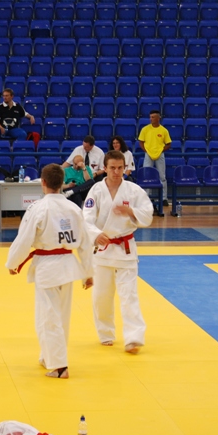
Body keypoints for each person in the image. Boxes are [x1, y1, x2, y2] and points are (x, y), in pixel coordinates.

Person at [6, 164, 93, 379]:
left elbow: (24, 240)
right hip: (68, 265)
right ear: (62, 183)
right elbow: (85, 242)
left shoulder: (38, 208)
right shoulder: (74, 208)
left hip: (48, 268)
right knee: (61, 317)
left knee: (48, 317)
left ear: (43, 183)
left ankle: (59, 366)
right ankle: (49, 356)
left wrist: (12, 263)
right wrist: (88, 272)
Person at [82, 151, 154, 354]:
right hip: (103, 249)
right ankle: (106, 333)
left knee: (129, 296)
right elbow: (86, 218)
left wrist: (131, 211)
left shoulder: (133, 190)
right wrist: (96, 234)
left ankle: (133, 338)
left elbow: (148, 214)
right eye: (112, 168)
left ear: (125, 168)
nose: (116, 172)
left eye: (120, 168)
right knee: (101, 296)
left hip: (125, 249)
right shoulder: (96, 190)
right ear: (104, 168)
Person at [137, 110, 171, 207]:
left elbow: (168, 144)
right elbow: (141, 141)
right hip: (148, 155)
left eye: (153, 117)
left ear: (158, 118)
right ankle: (146, 196)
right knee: (146, 175)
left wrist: (160, 150)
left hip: (160, 155)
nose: (151, 119)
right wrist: (147, 151)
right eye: (150, 117)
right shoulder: (145, 129)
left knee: (162, 176)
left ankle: (164, 198)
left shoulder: (164, 130)